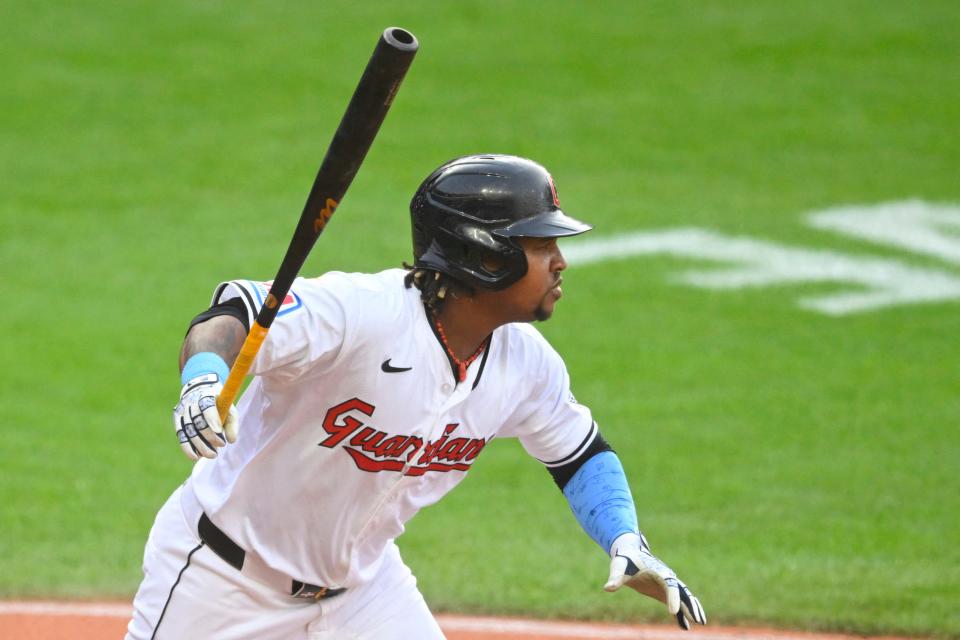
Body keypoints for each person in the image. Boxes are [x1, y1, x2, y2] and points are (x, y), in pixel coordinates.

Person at [126, 154, 706, 639]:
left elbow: (579, 455)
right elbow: (234, 315)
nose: (560, 261)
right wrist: (203, 379)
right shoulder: (361, 316)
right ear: (485, 254)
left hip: (362, 595)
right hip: (223, 583)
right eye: (540, 244)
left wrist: (623, 535)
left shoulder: (524, 363)